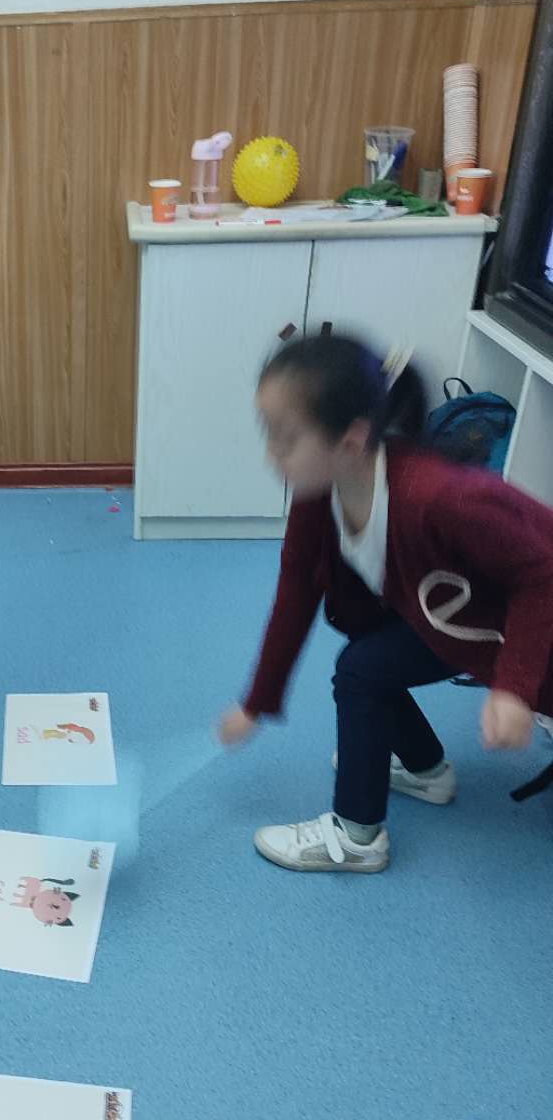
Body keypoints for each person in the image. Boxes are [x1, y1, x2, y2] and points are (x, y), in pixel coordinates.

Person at [217, 333, 553, 873]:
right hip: (460, 621)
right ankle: (421, 775)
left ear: (350, 442)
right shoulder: (320, 494)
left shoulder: (438, 498)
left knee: (363, 669)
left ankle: (357, 838)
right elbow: (295, 593)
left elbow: (542, 574)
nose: (270, 454)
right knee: (364, 668)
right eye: (268, 433)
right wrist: (257, 701)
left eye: (286, 438)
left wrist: (515, 688)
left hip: (532, 629)